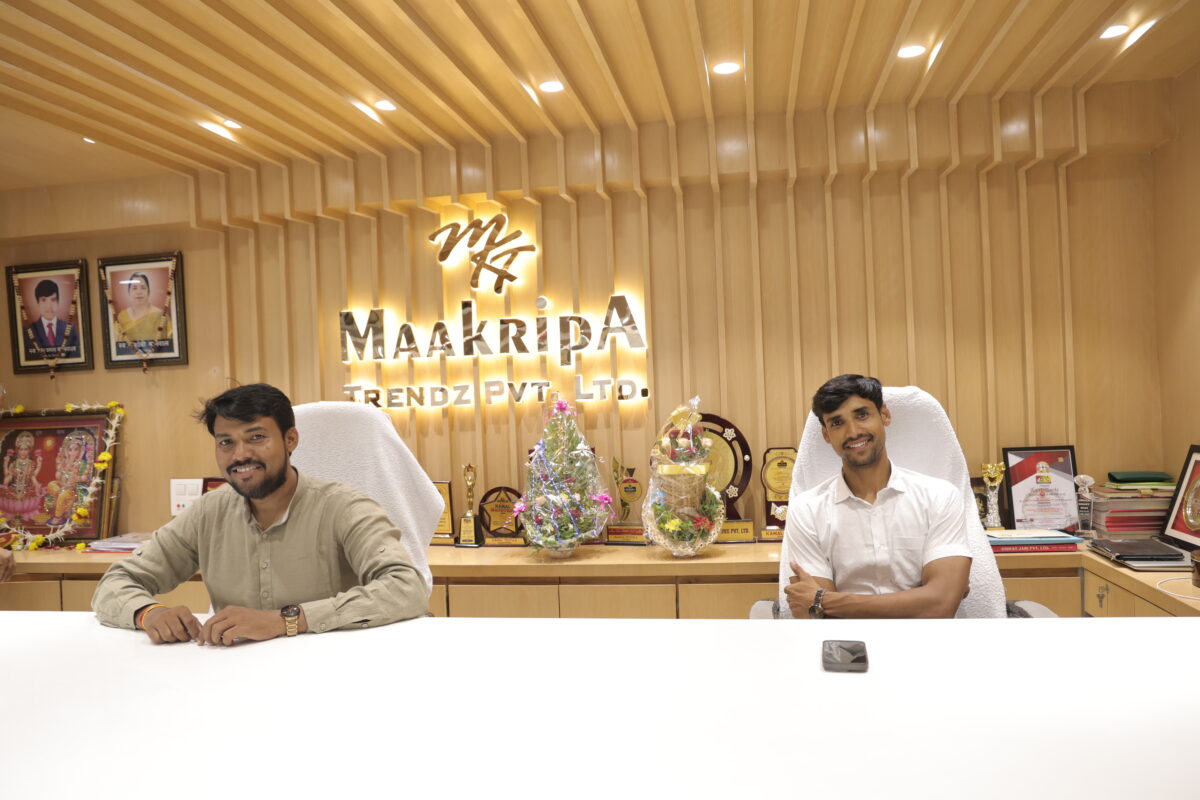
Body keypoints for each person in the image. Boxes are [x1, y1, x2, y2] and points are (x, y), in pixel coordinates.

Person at [92, 383, 428, 645]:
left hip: (333, 669)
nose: (240, 454)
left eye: (256, 437)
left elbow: (406, 588)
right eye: (226, 442)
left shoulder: (344, 507)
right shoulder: (208, 512)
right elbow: (117, 581)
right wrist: (148, 613)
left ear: (290, 440)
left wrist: (286, 621)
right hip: (233, 676)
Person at [784, 374, 972, 619]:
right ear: (826, 434)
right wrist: (924, 599)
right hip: (844, 643)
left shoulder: (940, 497)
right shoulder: (807, 509)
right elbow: (816, 618)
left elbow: (942, 604)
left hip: (925, 641)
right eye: (837, 423)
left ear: (884, 415)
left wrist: (823, 600)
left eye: (862, 415)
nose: (853, 432)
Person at [114, 271, 172, 354]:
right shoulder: (122, 316)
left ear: (148, 291)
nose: (139, 292)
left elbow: (171, 345)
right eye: (134, 288)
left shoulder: (161, 315)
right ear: (129, 292)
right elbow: (116, 346)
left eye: (143, 288)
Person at [23, 278, 79, 361]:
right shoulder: (28, 331)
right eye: (44, 300)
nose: (49, 306)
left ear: (58, 302)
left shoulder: (70, 329)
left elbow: (76, 356)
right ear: (37, 303)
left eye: (53, 300)